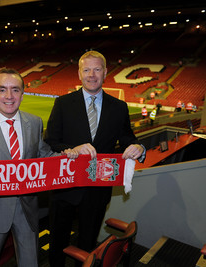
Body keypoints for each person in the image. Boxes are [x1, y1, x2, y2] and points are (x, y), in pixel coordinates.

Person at [0, 68, 77, 267]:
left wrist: (69, 156)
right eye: (2, 89)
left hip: (27, 208)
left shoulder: (35, 122)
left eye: (15, 90)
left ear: (23, 94)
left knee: (30, 262)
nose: (9, 96)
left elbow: (45, 156)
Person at [44, 50, 146, 267]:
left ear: (105, 72)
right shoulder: (62, 103)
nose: (92, 74)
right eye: (87, 69)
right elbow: (50, 141)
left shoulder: (118, 107)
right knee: (57, 243)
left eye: (97, 69)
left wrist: (137, 147)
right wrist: (70, 149)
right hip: (65, 188)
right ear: (79, 73)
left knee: (88, 244)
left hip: (98, 189)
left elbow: (127, 137)